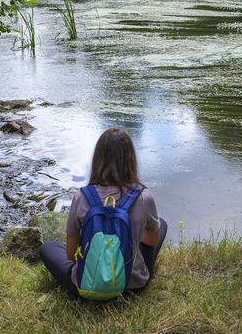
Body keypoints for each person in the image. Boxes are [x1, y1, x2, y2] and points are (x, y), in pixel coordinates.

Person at [39, 127, 167, 297]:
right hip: (133, 286)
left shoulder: (81, 196)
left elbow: (71, 255)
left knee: (48, 247)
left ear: (98, 159)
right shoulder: (145, 197)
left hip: (87, 285)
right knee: (161, 224)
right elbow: (151, 241)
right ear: (131, 160)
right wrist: (130, 235)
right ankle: (135, 270)